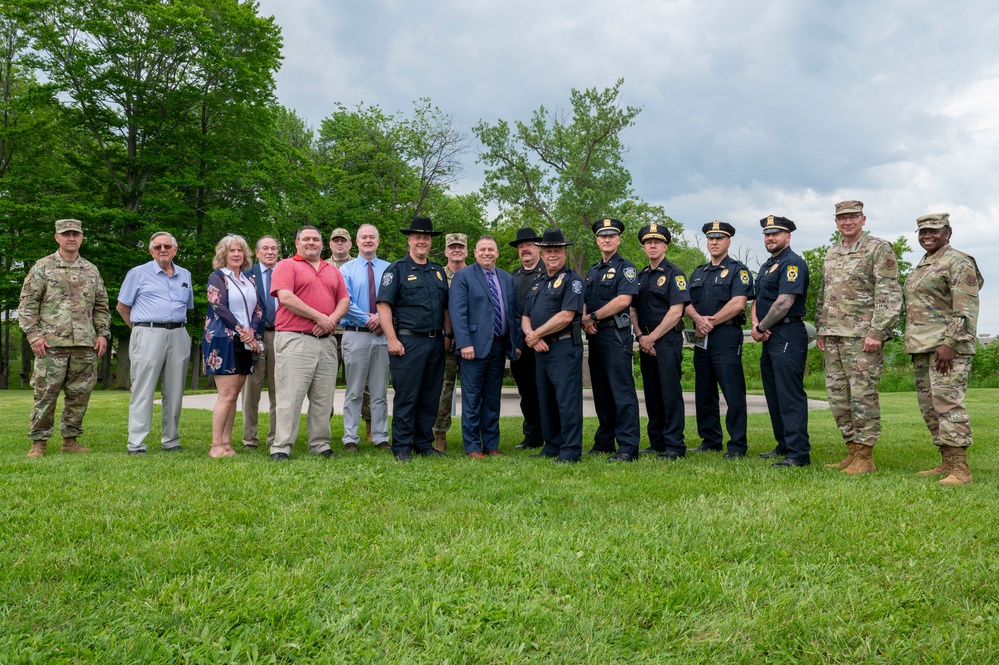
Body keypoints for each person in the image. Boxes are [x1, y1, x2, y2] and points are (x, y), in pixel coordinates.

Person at [815, 201, 902, 474]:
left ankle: (866, 457)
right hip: (833, 335)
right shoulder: (832, 252)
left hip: (862, 336)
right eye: (842, 218)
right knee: (838, 397)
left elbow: (888, 294)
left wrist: (877, 331)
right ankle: (851, 451)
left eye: (853, 217)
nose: (847, 222)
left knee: (863, 395)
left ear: (863, 219)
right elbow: (824, 294)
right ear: (836, 222)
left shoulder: (878, 248)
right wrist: (821, 328)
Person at [19, 219, 110, 458]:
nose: (71, 238)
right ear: (56, 237)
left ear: (81, 238)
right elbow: (27, 305)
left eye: (75, 234)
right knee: (45, 395)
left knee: (79, 395)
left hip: (85, 344)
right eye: (66, 234)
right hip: (50, 344)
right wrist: (34, 335)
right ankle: (39, 442)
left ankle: (70, 440)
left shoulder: (91, 270)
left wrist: (102, 334)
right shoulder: (42, 267)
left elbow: (101, 306)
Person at [905, 213, 983, 486]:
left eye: (933, 231)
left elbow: (965, 307)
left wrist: (949, 343)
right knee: (930, 407)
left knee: (948, 404)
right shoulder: (925, 263)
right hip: (922, 346)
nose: (927, 235)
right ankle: (946, 461)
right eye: (922, 231)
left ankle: (961, 469)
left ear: (947, 232)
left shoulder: (958, 262)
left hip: (947, 348)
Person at [268, 225, 350, 461]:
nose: (311, 242)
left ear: (322, 244)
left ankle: (320, 444)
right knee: (290, 397)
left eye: (315, 239)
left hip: (326, 342)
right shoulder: (287, 265)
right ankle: (281, 446)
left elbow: (343, 300)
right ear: (297, 243)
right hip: (295, 339)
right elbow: (286, 297)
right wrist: (319, 317)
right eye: (306, 239)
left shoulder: (331, 270)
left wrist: (330, 320)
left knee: (323, 398)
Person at [377, 216, 453, 462]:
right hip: (407, 342)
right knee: (407, 396)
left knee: (430, 396)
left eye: (426, 238)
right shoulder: (397, 269)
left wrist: (448, 335)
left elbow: (445, 308)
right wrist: (391, 338)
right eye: (418, 237)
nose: (422, 241)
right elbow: (383, 305)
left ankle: (423, 443)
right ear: (409, 240)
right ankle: (401, 445)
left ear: (431, 243)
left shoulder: (438, 271)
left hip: (435, 343)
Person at [116, 231, 194, 455]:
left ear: (175, 250)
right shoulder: (138, 273)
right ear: (151, 251)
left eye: (167, 246)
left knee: (175, 391)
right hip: (148, 333)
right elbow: (123, 307)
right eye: (158, 246)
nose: (163, 250)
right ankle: (137, 444)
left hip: (178, 334)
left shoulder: (185, 275)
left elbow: (186, 307)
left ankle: (171, 440)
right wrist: (139, 330)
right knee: (143, 390)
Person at [685, 221, 755, 459]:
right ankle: (710, 439)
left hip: (725, 335)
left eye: (719, 238)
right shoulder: (698, 272)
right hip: (701, 338)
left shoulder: (738, 270)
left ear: (728, 242)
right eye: (710, 238)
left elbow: (738, 302)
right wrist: (697, 319)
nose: (714, 242)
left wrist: (710, 322)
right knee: (704, 391)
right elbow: (686, 303)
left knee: (732, 392)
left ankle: (737, 444)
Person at [449, 235, 521, 458]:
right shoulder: (463, 277)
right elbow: (458, 313)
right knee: (472, 398)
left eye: (491, 249)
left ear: (497, 253)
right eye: (483, 250)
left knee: (492, 398)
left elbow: (514, 314)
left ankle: (491, 444)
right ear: (476, 253)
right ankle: (472, 446)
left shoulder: (507, 279)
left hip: (499, 347)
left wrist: (515, 343)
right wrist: (464, 343)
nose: (487, 253)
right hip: (473, 348)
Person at [750, 215, 811, 468]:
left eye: (776, 234)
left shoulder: (792, 263)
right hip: (768, 335)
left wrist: (762, 327)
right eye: (767, 234)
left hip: (787, 334)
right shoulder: (767, 265)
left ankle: (798, 453)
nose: (770, 238)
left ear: (788, 236)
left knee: (789, 395)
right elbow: (757, 300)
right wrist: (756, 326)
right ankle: (784, 444)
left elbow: (784, 301)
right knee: (774, 395)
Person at [522, 227, 585, 464]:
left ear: (564, 253)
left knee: (566, 400)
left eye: (557, 250)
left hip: (563, 348)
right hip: (541, 349)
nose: (552, 255)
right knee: (545, 398)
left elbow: (566, 316)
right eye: (548, 250)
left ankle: (570, 450)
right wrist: (532, 337)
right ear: (542, 253)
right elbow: (525, 316)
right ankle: (552, 444)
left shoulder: (572, 281)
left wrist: (536, 335)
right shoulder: (538, 283)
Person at [582, 217, 641, 462]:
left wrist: (593, 316)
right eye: (602, 236)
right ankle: (604, 441)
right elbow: (584, 300)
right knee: (602, 392)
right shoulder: (593, 271)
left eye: (611, 236)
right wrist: (586, 319)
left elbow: (623, 301)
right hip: (595, 335)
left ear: (618, 240)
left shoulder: (626, 268)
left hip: (615, 335)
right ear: (597, 240)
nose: (606, 240)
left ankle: (627, 446)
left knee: (621, 391)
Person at [631, 223, 691, 460]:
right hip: (645, 340)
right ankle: (657, 442)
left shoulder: (675, 274)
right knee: (652, 393)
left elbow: (677, 311)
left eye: (657, 242)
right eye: (648, 242)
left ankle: (675, 445)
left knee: (669, 392)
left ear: (665, 245)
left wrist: (651, 338)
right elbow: (632, 309)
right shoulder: (641, 276)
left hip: (666, 341)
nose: (652, 245)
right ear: (644, 247)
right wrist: (640, 336)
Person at [201, 235, 263, 458]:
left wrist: (251, 332)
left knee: (234, 395)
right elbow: (219, 307)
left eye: (240, 251)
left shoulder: (249, 280)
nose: (236, 254)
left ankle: (226, 443)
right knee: (225, 394)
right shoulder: (217, 277)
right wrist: (242, 330)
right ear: (223, 255)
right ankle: (215, 445)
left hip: (245, 342)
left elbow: (258, 310)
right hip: (222, 340)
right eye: (231, 251)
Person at [338, 224, 392, 452]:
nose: (368, 240)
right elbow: (345, 302)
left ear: (378, 242)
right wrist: (371, 319)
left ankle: (380, 437)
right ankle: (350, 437)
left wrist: (381, 319)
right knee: (354, 390)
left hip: (383, 336)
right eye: (363, 237)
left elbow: (396, 300)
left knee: (380, 391)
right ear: (356, 243)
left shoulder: (391, 269)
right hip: (356, 335)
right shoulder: (345, 270)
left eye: (372, 237)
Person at [240, 235, 280, 450]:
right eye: (265, 248)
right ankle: (250, 439)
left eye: (273, 248)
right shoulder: (246, 276)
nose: (270, 252)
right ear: (257, 253)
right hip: (254, 337)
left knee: (279, 390)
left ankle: (275, 438)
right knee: (251, 390)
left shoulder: (286, 273)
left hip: (281, 335)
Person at [509, 227, 546, 450]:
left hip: (544, 343)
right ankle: (532, 436)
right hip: (520, 346)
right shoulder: (512, 276)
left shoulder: (549, 272)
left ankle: (551, 433)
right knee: (527, 392)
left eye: (530, 245)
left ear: (538, 248)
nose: (525, 249)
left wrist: (538, 335)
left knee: (546, 390)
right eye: (521, 246)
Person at [433, 232, 468, 451]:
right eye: (452, 247)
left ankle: (474, 434)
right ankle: (440, 433)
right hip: (444, 342)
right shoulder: (436, 275)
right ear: (445, 251)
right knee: (443, 389)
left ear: (466, 251)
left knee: (473, 390)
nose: (456, 250)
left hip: (470, 342)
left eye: (460, 247)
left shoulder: (475, 274)